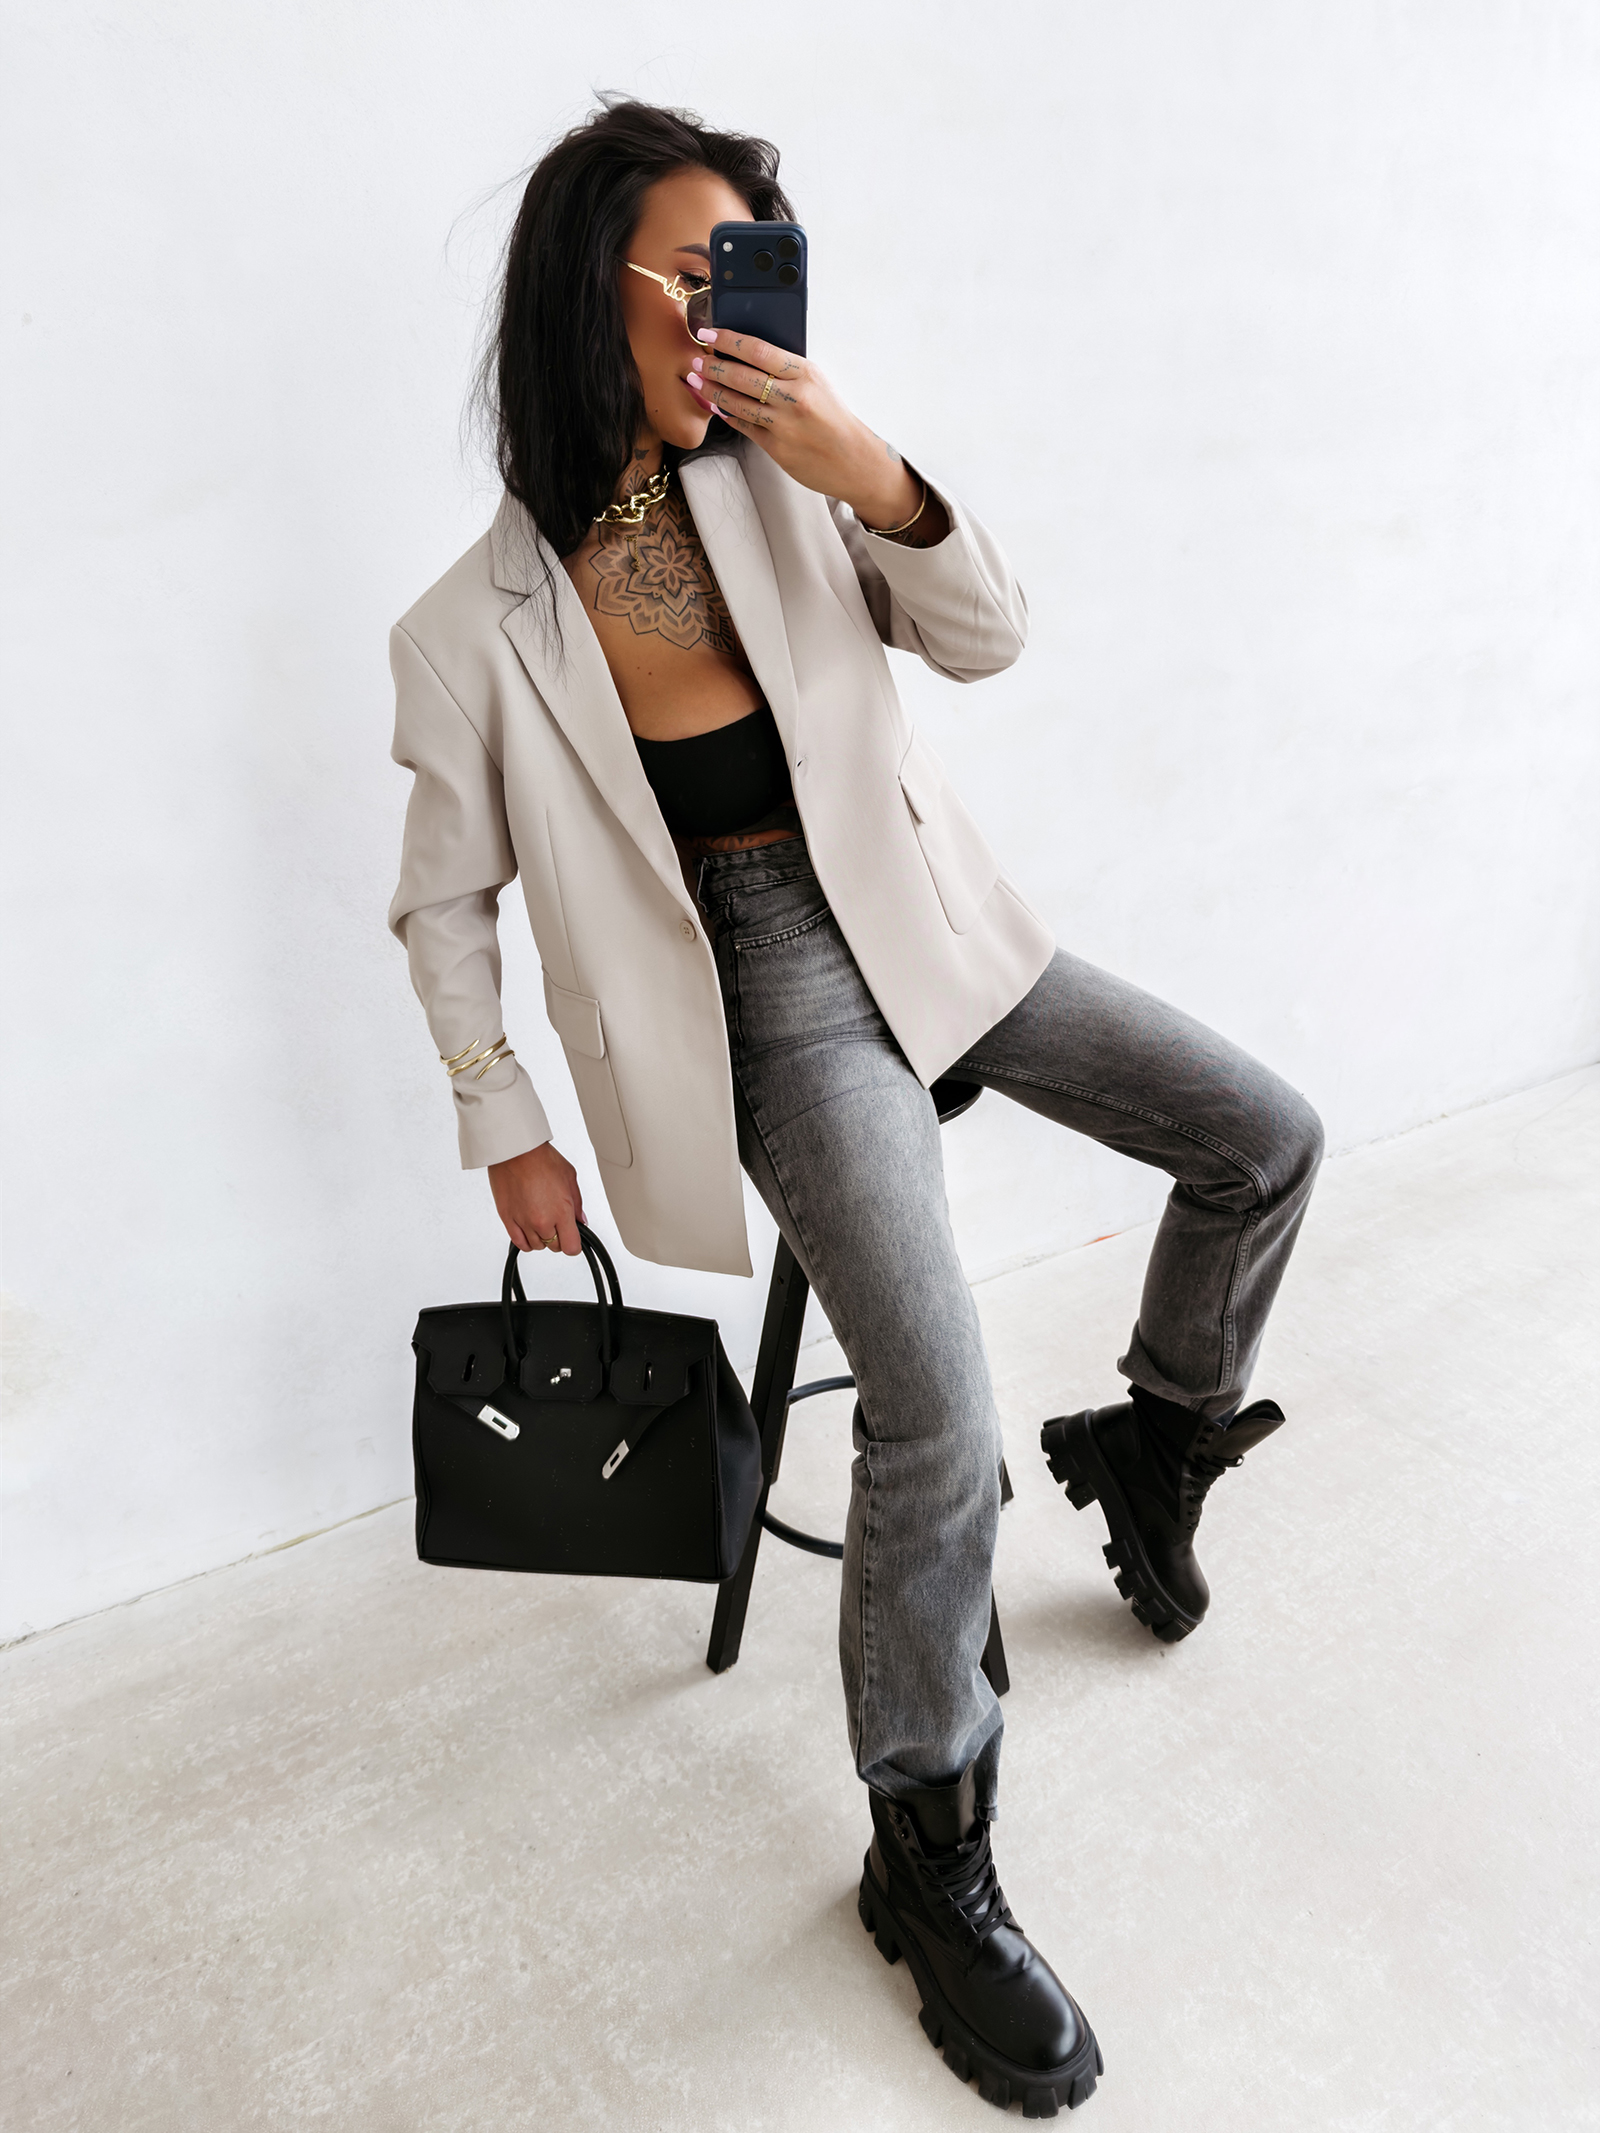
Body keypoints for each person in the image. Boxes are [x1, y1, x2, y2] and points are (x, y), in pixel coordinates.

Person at [387, 98, 1322, 2116]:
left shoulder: (791, 477)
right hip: (766, 1003)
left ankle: (1155, 1443)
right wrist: (504, 1116)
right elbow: (440, 905)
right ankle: (927, 1845)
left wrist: (874, 474)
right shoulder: (473, 630)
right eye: (693, 275)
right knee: (935, 1400)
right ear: (591, 295)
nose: (729, 315)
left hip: (938, 926)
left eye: (752, 271)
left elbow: (988, 636)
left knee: (1265, 1136)